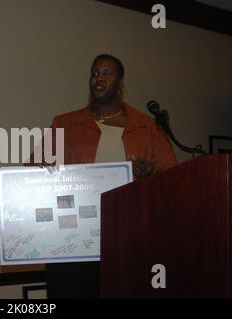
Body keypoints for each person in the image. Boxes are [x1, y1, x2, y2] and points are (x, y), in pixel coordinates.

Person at [44, 53, 177, 298]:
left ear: (121, 84)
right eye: (94, 73)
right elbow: (35, 172)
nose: (99, 78)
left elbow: (172, 183)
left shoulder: (147, 128)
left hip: (130, 245)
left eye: (107, 73)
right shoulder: (65, 124)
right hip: (72, 245)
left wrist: (149, 177)